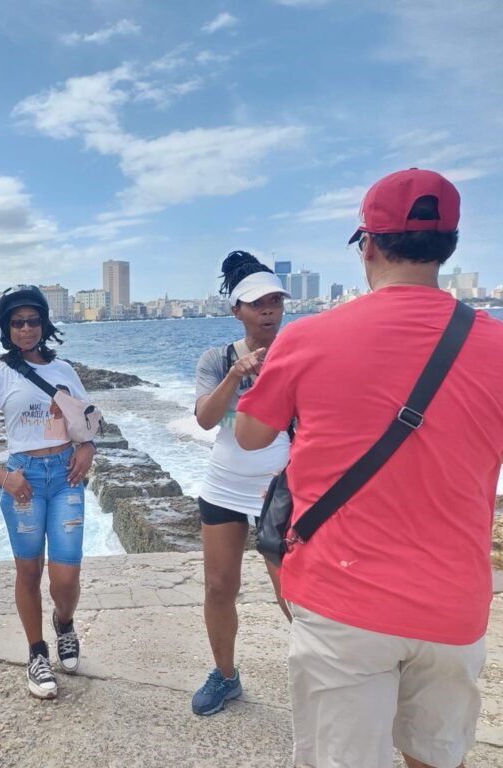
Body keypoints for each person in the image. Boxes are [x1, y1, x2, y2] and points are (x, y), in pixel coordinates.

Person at [235, 169, 503, 768]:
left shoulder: (308, 338)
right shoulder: (497, 345)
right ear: (449, 247)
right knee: (438, 758)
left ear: (370, 246)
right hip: (454, 604)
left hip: (342, 599)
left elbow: (250, 437)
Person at [0, 285, 96, 700]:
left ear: (44, 323)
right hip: (25, 481)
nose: (26, 329)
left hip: (66, 476)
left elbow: (86, 424)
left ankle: (64, 623)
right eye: (17, 322)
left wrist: (87, 448)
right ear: (6, 328)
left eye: (33, 321)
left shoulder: (65, 371)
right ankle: (37, 653)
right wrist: (2, 476)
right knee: (29, 571)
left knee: (66, 575)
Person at [190, 251, 292, 716]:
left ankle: (327, 672)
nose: (269, 310)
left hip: (281, 486)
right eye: (257, 303)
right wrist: (236, 374)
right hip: (224, 485)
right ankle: (225, 676)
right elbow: (207, 420)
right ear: (237, 310)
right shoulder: (217, 359)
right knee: (218, 587)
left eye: (276, 300)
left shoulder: (299, 354)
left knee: (294, 589)